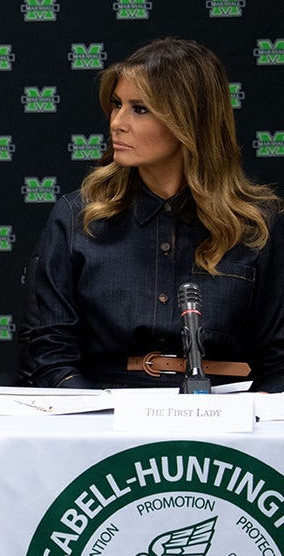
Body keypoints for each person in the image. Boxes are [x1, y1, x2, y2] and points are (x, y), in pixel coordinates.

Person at [21, 37, 284, 391]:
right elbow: (51, 356)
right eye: (116, 105)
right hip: (102, 414)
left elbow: (278, 362)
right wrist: (97, 427)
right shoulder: (77, 217)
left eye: (139, 109)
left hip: (225, 419)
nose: (117, 122)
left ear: (190, 121)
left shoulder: (256, 225)